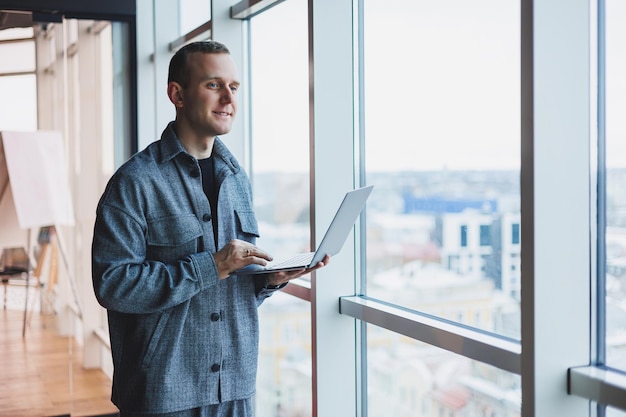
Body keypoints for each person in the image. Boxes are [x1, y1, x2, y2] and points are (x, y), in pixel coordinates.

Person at [91, 40, 329, 417]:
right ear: (177, 94)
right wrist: (212, 266)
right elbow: (113, 284)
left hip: (235, 386)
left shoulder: (237, 179)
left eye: (233, 87)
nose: (228, 99)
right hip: (165, 393)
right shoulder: (134, 182)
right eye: (213, 85)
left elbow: (229, 287)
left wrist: (267, 280)